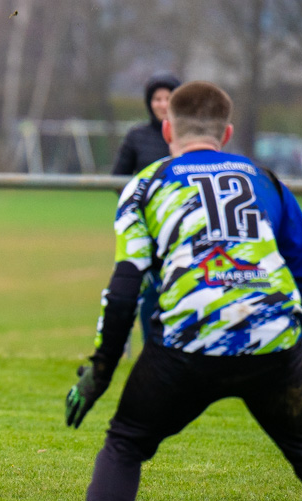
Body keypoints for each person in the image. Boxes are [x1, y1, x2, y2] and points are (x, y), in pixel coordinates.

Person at [66, 81, 302, 501]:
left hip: (184, 348)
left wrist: (102, 369)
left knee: (125, 443)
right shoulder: (265, 179)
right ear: (227, 133)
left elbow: (125, 286)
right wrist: (288, 338)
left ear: (168, 129)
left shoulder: (146, 183)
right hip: (272, 345)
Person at [111, 73, 181, 345]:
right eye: (157, 98)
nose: (162, 104)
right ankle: (152, 347)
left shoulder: (187, 136)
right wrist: (140, 204)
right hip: (149, 225)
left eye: (168, 98)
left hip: (185, 223)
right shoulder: (137, 137)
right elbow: (118, 179)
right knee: (149, 288)